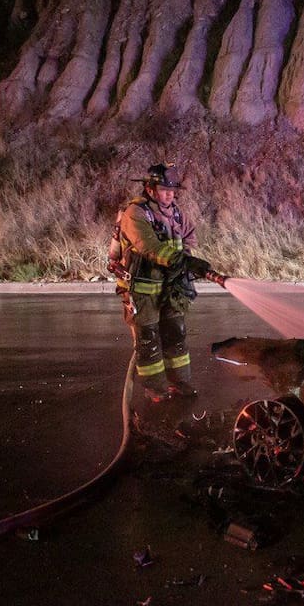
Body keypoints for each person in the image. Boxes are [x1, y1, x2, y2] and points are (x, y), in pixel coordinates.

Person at [108, 163, 214, 421]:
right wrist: (181, 261)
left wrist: (186, 256)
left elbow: (189, 236)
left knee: (176, 335)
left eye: (172, 190)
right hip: (142, 289)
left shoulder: (176, 214)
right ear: (150, 189)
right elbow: (148, 246)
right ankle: (156, 389)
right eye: (165, 189)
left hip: (170, 287)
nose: (170, 194)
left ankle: (180, 383)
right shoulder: (135, 213)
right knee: (149, 340)